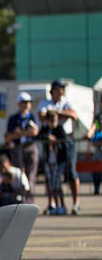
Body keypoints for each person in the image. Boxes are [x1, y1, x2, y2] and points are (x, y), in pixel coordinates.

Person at [37, 80, 81, 214]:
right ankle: (53, 203)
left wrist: (55, 114)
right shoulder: (45, 102)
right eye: (60, 88)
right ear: (54, 90)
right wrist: (60, 115)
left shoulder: (67, 102)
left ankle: (76, 202)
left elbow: (74, 115)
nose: (62, 90)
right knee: (51, 175)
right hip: (50, 142)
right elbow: (42, 116)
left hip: (66, 140)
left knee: (71, 172)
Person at [4, 92, 39, 203]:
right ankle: (18, 199)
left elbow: (35, 132)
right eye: (24, 102)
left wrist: (20, 133)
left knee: (31, 175)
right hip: (18, 148)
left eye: (29, 102)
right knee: (18, 175)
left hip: (30, 147)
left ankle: (29, 200)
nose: (27, 105)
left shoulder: (32, 117)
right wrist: (25, 133)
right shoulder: (14, 119)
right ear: (19, 104)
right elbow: (9, 136)